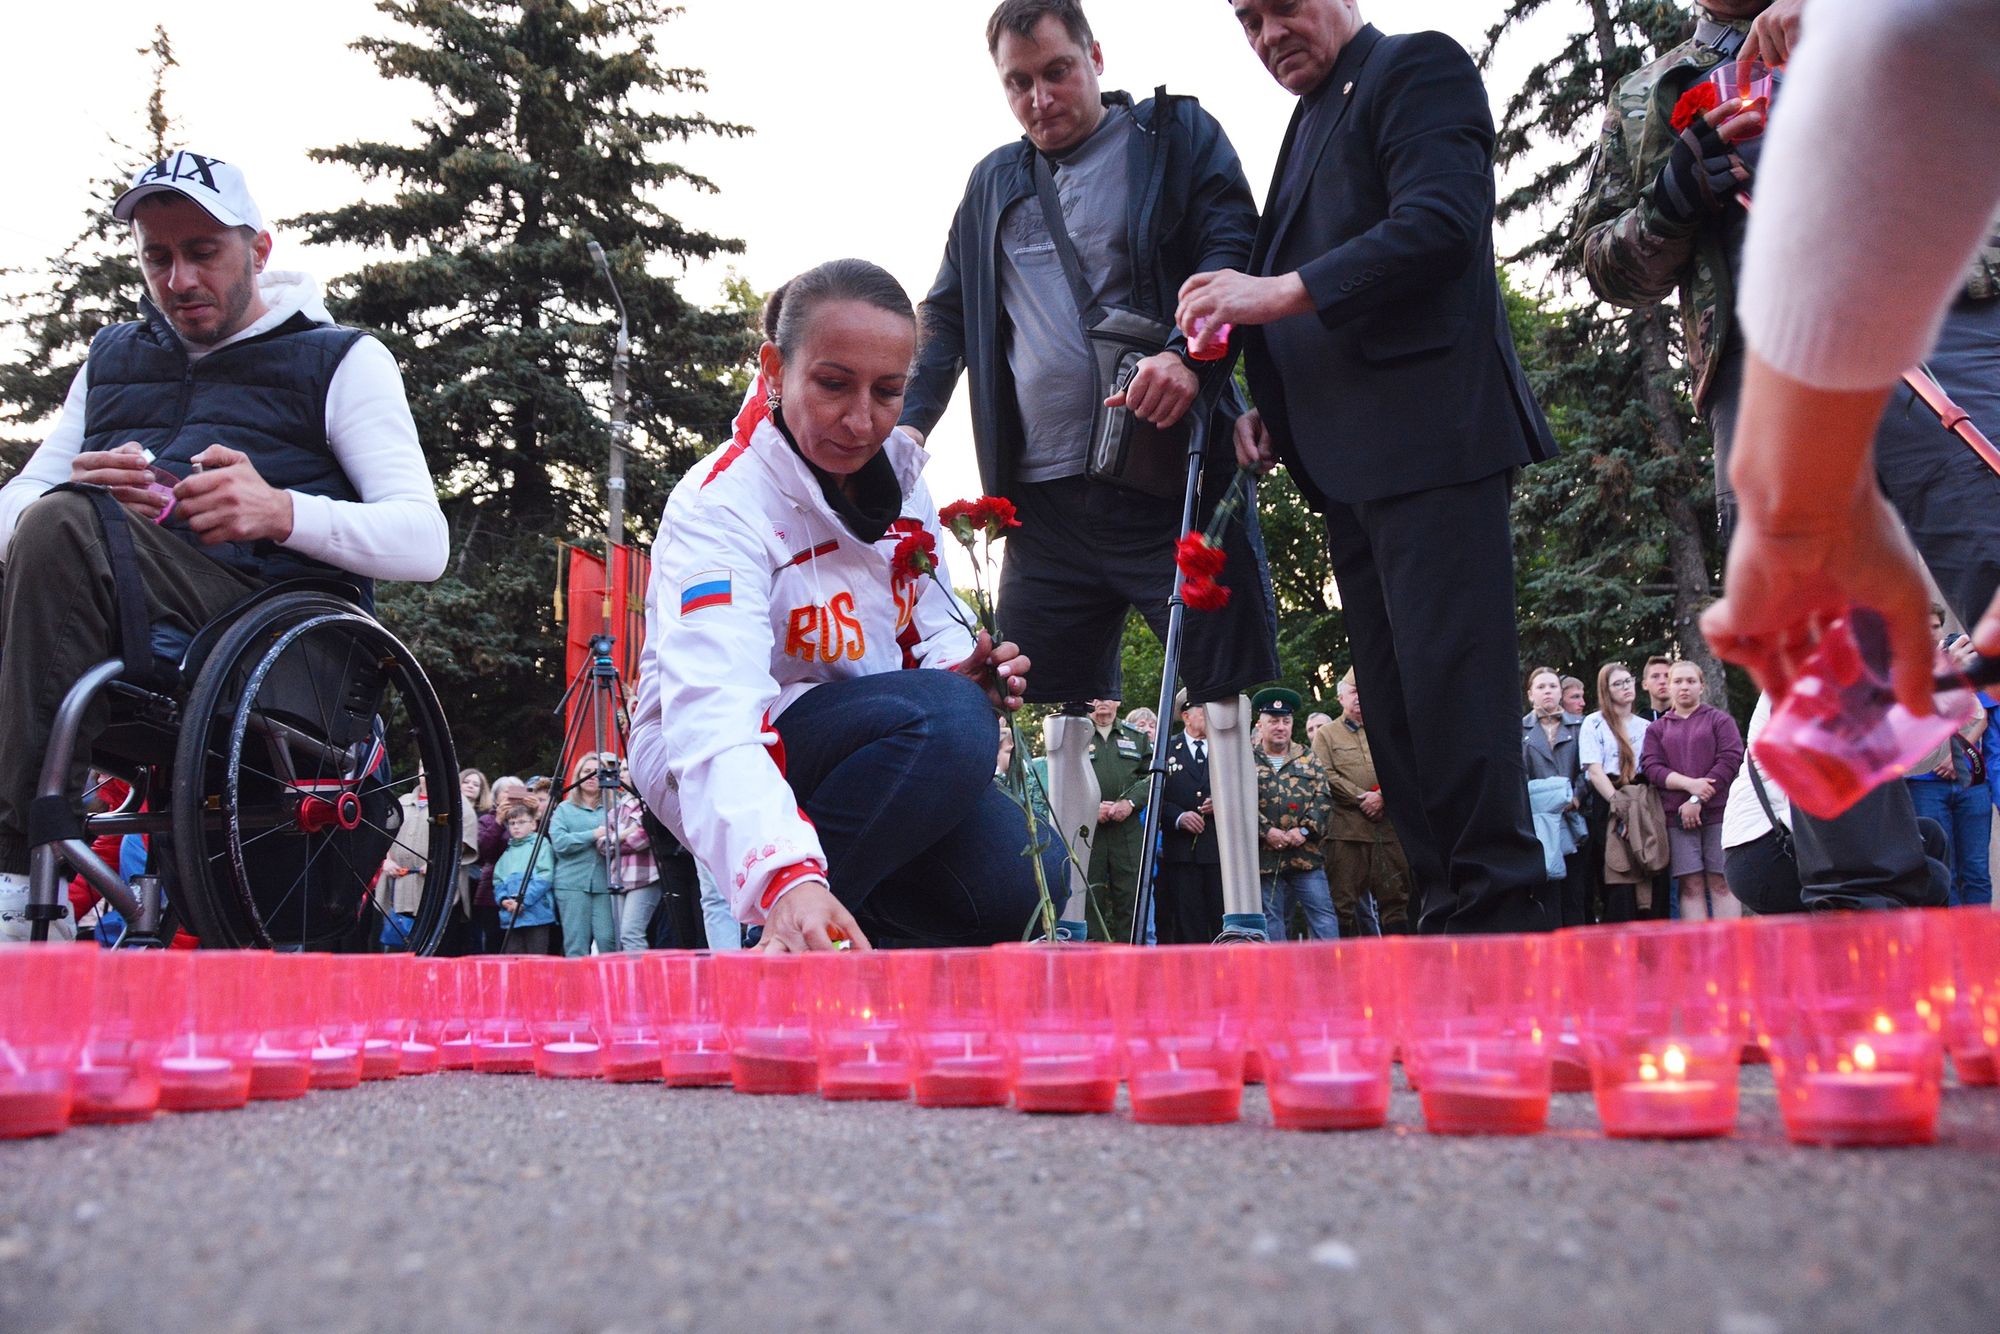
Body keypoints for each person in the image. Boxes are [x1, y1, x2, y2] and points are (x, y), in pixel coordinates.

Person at [1581, 0, 2000, 913]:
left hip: (1940, 322)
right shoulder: (1650, 93)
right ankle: (1866, 916)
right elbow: (1604, 259)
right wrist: (1671, 200)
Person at [901, 0, 1280, 942]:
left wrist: (1191, 359)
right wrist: (903, 431)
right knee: (1054, 704)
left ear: (1096, 56)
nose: (1039, 97)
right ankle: (1065, 924)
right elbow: (945, 317)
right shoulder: (993, 184)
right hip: (1042, 501)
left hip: (1173, 476)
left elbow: (1233, 247)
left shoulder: (1174, 137)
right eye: (1018, 83)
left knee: (1223, 687)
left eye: (1056, 72)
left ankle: (1244, 916)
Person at [0, 150, 447, 942]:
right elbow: (18, 507)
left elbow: (424, 541)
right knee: (57, 518)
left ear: (259, 250)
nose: (178, 280)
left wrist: (280, 512)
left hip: (269, 639)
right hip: (115, 602)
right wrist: (76, 486)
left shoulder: (340, 359)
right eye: (158, 258)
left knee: (64, 527)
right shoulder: (111, 359)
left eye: (202, 252)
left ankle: (13, 872)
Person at [1184, 0, 1559, 936]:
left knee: (1455, 694)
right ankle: (1448, 918)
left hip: (1434, 442)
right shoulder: (1311, 119)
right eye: (1247, 21)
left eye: (1283, 6)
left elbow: (1439, 224)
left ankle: (1501, 921)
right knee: (1396, 713)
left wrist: (1274, 292)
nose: (1269, 35)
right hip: (1348, 469)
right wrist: (1272, 406)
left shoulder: (1417, 67)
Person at [629, 259, 1049, 954]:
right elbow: (712, 709)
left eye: (888, 392)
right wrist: (785, 877)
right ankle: (779, 928)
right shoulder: (718, 506)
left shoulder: (907, 488)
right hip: (714, 749)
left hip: (870, 740)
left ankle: (849, 951)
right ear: (774, 368)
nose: (860, 422)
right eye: (832, 385)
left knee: (1024, 880)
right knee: (946, 722)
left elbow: (931, 633)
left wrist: (963, 672)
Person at [1640, 661, 1745, 920]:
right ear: (1669, 687)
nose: (1684, 687)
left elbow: (1730, 759)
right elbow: (1652, 766)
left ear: (1702, 686)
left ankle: (1727, 942)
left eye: (1690, 681)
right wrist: (1689, 785)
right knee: (1691, 885)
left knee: (1721, 882)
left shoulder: (1720, 721)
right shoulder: (1656, 729)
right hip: (1677, 817)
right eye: (1678, 681)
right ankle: (1698, 944)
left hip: (1718, 814)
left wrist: (1697, 798)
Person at [1311, 669, 1410, 936]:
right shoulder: (1327, 734)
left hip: (1387, 831)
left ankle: (1399, 959)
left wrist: (1383, 797)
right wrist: (1361, 798)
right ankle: (1343, 960)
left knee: (1396, 901)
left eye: (1363, 692)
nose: (1359, 697)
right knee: (1342, 903)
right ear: (1340, 698)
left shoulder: (1387, 730)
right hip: (1347, 833)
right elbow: (1324, 774)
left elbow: (1402, 767)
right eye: (1353, 692)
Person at [1251, 688, 1336, 940]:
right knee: (1271, 921)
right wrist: (1267, 831)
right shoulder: (1247, 759)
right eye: (1273, 721)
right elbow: (1240, 803)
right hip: (1266, 857)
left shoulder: (1308, 757)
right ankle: (1277, 967)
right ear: (1260, 724)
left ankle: (1330, 964)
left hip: (1305, 854)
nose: (1280, 727)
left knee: (1323, 917)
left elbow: (1323, 797)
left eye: (1286, 721)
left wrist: (1305, 830)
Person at [1579, 661, 1651, 922]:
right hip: (1609, 798)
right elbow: (1594, 770)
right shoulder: (1594, 723)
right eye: (1617, 684)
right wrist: (1617, 803)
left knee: (1647, 869)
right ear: (1606, 690)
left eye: (1628, 681)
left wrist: (1638, 810)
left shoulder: (1645, 726)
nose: (1625, 687)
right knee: (1617, 875)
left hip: (1641, 797)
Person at [1522, 667, 1587, 928]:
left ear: (1560, 692)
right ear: (1530, 694)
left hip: (1573, 818)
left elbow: (1588, 768)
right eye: (1540, 687)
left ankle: (1577, 948)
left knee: (1575, 892)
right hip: (1537, 823)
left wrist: (1577, 796)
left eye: (1552, 686)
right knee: (1545, 892)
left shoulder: (1580, 727)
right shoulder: (1520, 730)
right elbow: (1519, 774)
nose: (1547, 691)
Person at [1157, 692, 1224, 943]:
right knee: (1188, 921)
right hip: (1181, 853)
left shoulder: (1225, 747)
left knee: (1221, 918)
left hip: (1218, 852)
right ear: (1186, 716)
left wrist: (1222, 804)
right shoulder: (1166, 748)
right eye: (1204, 710)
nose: (1211, 715)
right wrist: (1178, 817)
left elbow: (1244, 788)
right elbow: (1154, 797)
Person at [1084, 695, 1150, 943]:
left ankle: (1131, 958)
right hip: (1088, 830)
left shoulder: (1136, 737)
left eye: (1108, 696)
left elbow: (1153, 776)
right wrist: (1089, 808)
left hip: (1127, 829)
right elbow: (1062, 778)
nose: (1102, 701)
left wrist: (1130, 802)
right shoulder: (1075, 733)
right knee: (1089, 897)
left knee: (1131, 897)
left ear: (1119, 701)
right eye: (1096, 696)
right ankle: (1092, 959)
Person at [548, 752, 618, 957]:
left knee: (608, 940)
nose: (592, 776)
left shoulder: (615, 806)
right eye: (586, 771)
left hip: (606, 883)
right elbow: (560, 843)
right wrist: (593, 834)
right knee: (576, 943)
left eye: (597, 772)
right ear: (578, 775)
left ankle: (608, 978)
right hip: (571, 884)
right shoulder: (564, 809)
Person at [492, 802, 557, 955]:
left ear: (533, 824)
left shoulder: (541, 844)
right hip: (511, 916)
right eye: (512, 823)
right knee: (513, 956)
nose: (516, 827)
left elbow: (545, 877)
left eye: (521, 822)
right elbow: (498, 881)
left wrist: (523, 901)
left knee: (536, 956)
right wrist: (503, 900)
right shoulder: (507, 852)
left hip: (537, 914)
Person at [610, 789, 661, 951]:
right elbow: (601, 844)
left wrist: (615, 839)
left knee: (631, 934)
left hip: (646, 877)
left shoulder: (649, 802)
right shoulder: (616, 806)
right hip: (618, 878)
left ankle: (639, 969)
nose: (622, 776)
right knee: (619, 936)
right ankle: (629, 968)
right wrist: (626, 834)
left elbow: (642, 839)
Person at [1640, 656, 1675, 724]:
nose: (1662, 681)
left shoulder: (1687, 719)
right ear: (1645, 685)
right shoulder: (1639, 723)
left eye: (1667, 676)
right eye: (1655, 676)